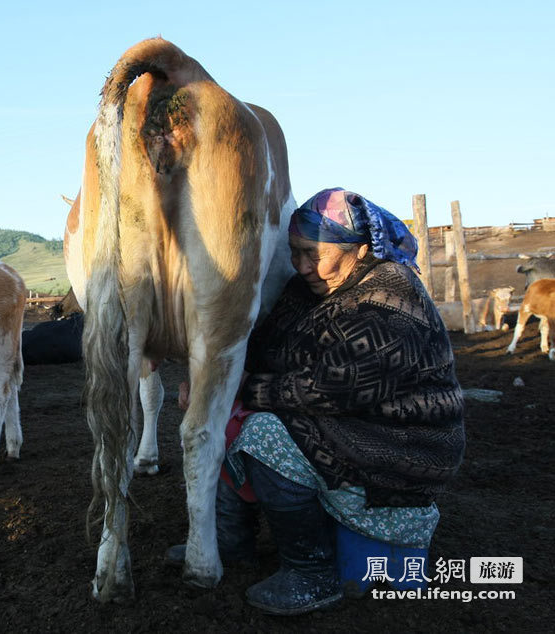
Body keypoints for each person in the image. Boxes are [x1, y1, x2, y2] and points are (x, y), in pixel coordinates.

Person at [167, 188, 465, 616]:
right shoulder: (310, 288)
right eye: (295, 253)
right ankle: (231, 540)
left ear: (360, 249)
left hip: (400, 446)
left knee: (261, 433)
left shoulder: (390, 300)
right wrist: (209, 381)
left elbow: (332, 390)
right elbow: (264, 347)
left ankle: (312, 573)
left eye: (314, 254)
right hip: (347, 426)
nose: (303, 266)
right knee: (220, 416)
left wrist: (234, 390)